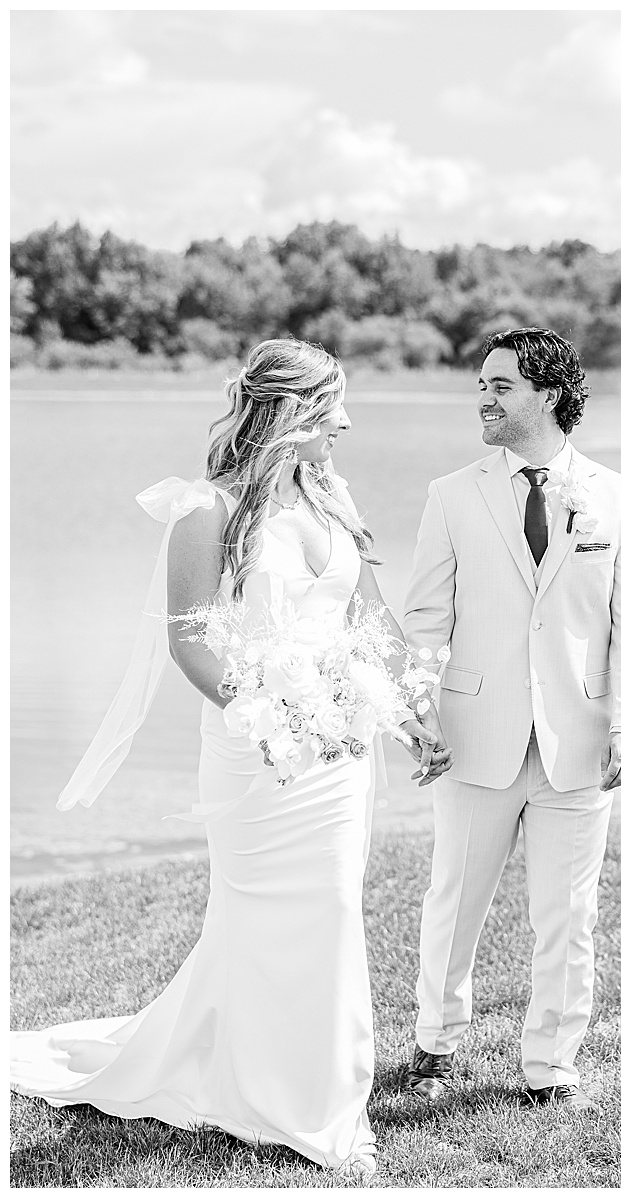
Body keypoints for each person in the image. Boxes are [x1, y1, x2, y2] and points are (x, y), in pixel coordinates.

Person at [10, 338, 438, 1177]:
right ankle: (302, 1108)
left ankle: (296, 1085)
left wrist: (413, 710)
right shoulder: (205, 510)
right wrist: (270, 714)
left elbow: (371, 617)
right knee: (269, 916)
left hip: (340, 753)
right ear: (292, 411)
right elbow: (191, 645)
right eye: (333, 408)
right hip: (256, 754)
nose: (346, 423)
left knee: (332, 909)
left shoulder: (332, 500)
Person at [399, 326, 621, 1113]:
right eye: (481, 385)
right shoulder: (452, 494)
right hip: (473, 732)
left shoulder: (620, 498)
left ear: (547, 395)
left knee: (568, 914)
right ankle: (435, 1046)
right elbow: (422, 622)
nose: (483, 399)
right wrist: (419, 715)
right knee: (456, 901)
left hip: (579, 737)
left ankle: (551, 1067)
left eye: (500, 386)